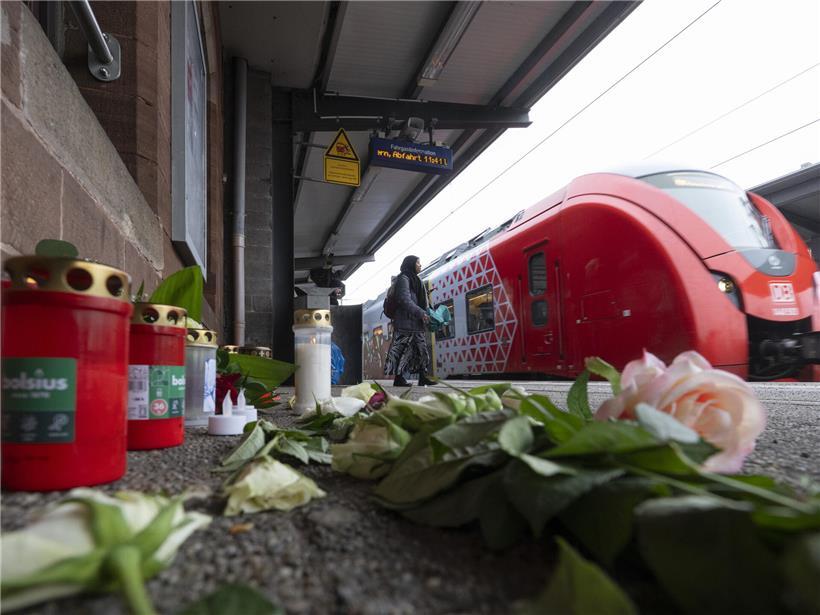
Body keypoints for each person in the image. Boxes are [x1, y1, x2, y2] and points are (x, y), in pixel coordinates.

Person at [384, 255, 436, 387]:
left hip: (416, 324)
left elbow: (417, 300)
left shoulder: (416, 280)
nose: (420, 265)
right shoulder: (404, 279)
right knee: (401, 351)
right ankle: (398, 378)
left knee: (421, 351)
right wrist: (420, 312)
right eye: (418, 263)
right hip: (405, 324)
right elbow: (404, 299)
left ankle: (423, 377)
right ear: (411, 264)